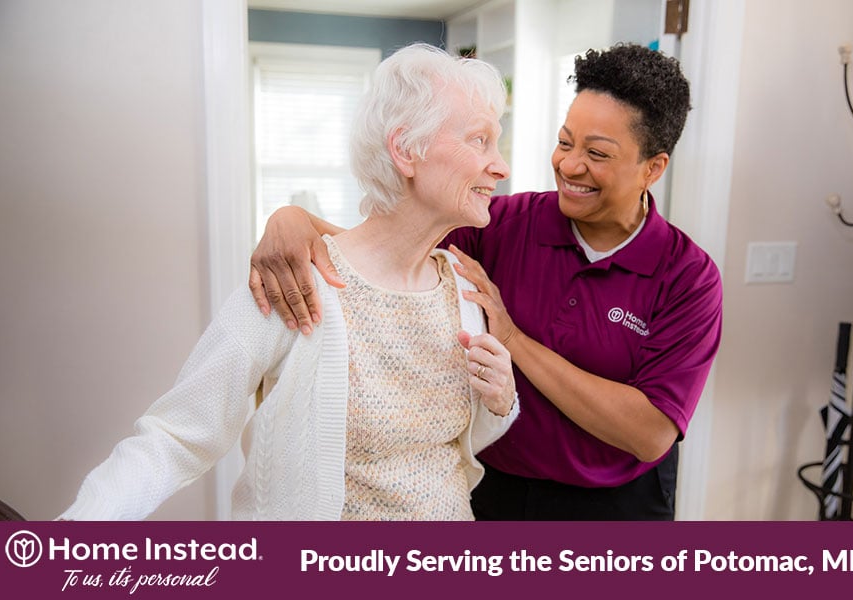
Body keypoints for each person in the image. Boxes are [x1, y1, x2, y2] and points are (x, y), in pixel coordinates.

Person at [249, 43, 723, 521]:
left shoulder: (688, 277)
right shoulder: (506, 223)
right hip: (495, 491)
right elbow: (385, 248)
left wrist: (513, 339)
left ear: (653, 168)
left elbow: (649, 433)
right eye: (564, 142)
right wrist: (293, 220)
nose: (569, 165)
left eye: (597, 153)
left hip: (615, 509)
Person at [59, 43, 518, 521]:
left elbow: (446, 443)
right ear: (405, 150)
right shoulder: (297, 280)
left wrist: (500, 400)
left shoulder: (463, 290)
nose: (501, 166)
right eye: (479, 140)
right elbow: (177, 436)